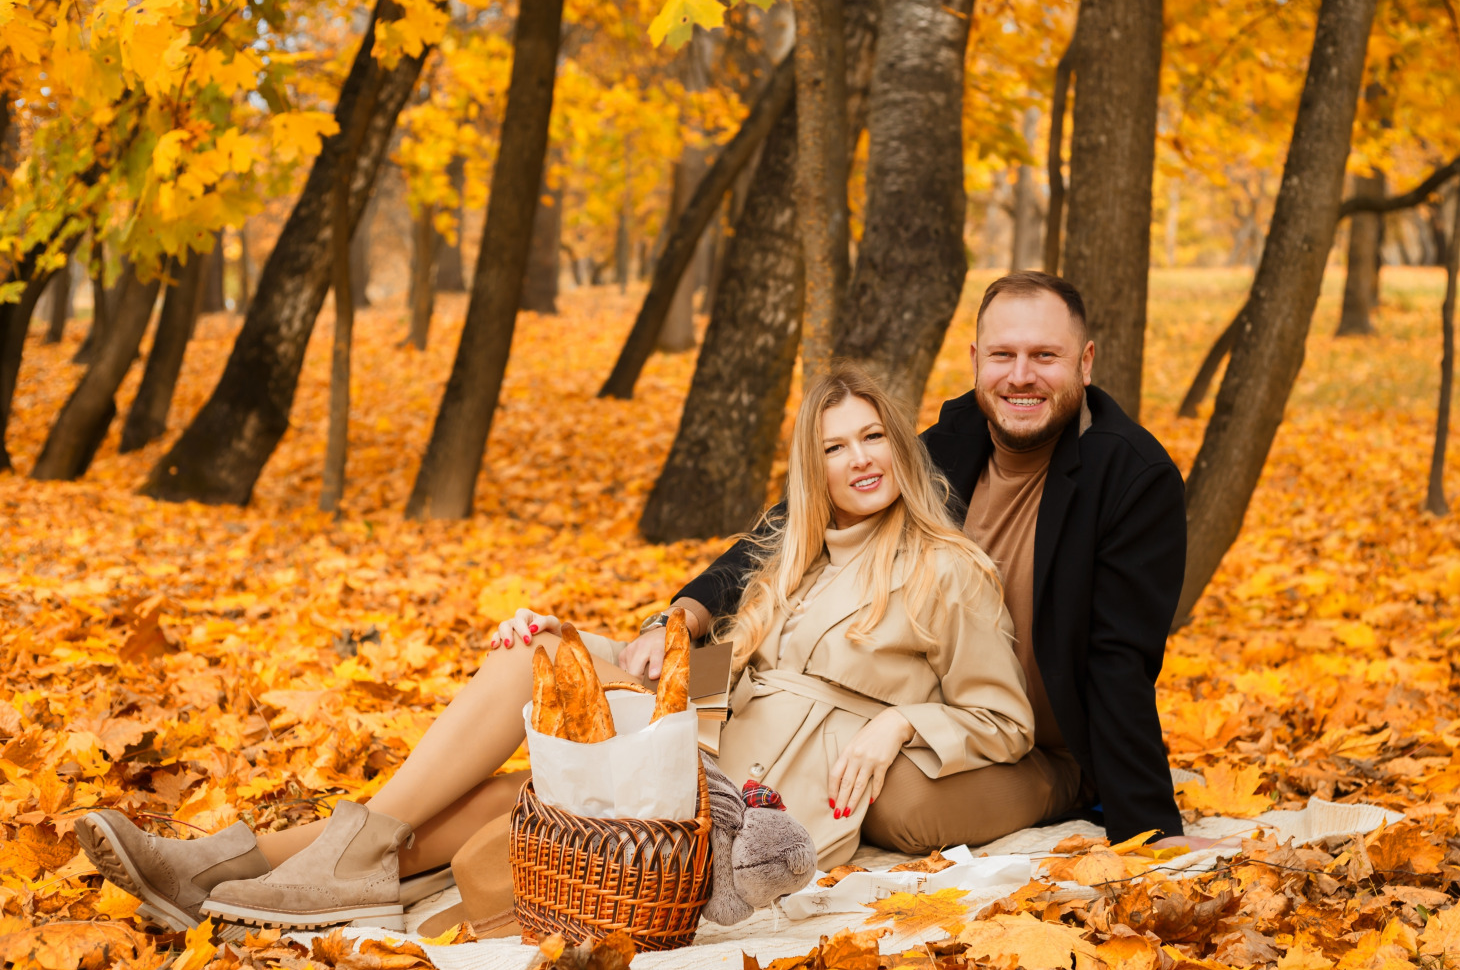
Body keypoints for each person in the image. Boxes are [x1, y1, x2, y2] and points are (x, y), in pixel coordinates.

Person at [76, 366, 1036, 928]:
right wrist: (597, 651)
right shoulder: (792, 559)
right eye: (835, 447)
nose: (859, 459)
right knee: (528, 667)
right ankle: (226, 869)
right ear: (811, 467)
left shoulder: (944, 570)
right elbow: (727, 678)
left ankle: (236, 869)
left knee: (519, 785)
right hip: (708, 737)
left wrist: (903, 723)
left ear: (901, 452)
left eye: (873, 438)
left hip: (764, 802)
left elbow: (1004, 718)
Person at [619, 271, 1191, 850]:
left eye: (1044, 355)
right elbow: (787, 527)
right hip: (859, 712)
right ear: (976, 360)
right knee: (594, 668)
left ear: (1085, 362)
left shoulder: (1128, 479)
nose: (1021, 375)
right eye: (1002, 355)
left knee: (896, 800)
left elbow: (1120, 660)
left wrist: (1150, 827)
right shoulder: (949, 442)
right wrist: (684, 617)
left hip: (1032, 740)